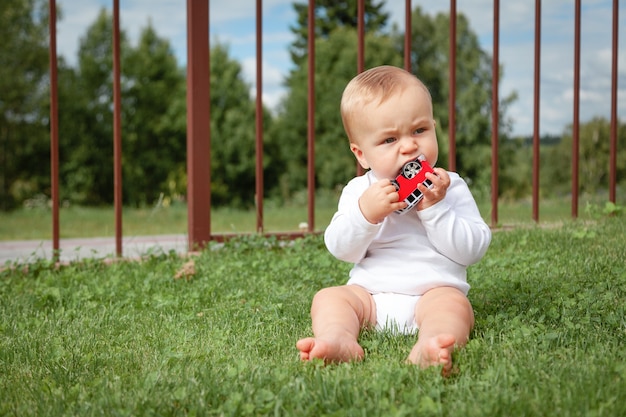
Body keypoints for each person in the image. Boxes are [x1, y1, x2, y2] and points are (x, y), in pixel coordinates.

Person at [296, 65, 491, 373]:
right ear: (361, 154)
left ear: (433, 127)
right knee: (330, 298)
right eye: (389, 140)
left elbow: (474, 249)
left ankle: (432, 343)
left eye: (419, 130)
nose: (410, 145)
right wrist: (365, 216)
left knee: (454, 306)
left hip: (433, 293)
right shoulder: (359, 191)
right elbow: (340, 249)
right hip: (370, 297)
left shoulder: (449, 186)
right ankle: (339, 339)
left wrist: (434, 208)